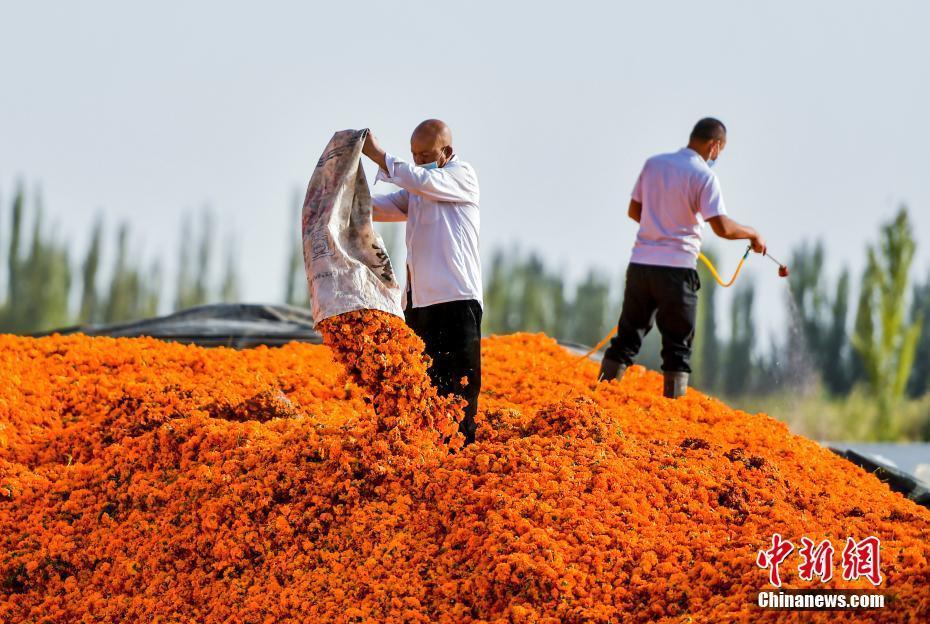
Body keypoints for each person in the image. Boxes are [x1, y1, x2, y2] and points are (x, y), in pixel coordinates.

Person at [599, 117, 766, 398]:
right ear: (715, 145)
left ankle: (596, 402)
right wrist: (752, 234)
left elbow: (634, 211)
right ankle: (672, 418)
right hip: (677, 271)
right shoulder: (704, 176)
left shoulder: (654, 164)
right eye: (720, 151)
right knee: (678, 349)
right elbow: (722, 228)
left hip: (641, 266)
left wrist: (659, 225)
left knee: (626, 340)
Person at [361, 119, 482, 444]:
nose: (418, 160)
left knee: (458, 392)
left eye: (425, 154)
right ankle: (424, 463)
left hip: (456, 301)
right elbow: (378, 208)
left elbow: (421, 179)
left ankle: (460, 463)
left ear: (447, 152)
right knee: (420, 389)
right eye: (414, 155)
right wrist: (345, 200)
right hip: (419, 305)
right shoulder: (418, 191)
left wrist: (377, 154)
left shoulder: (461, 177)